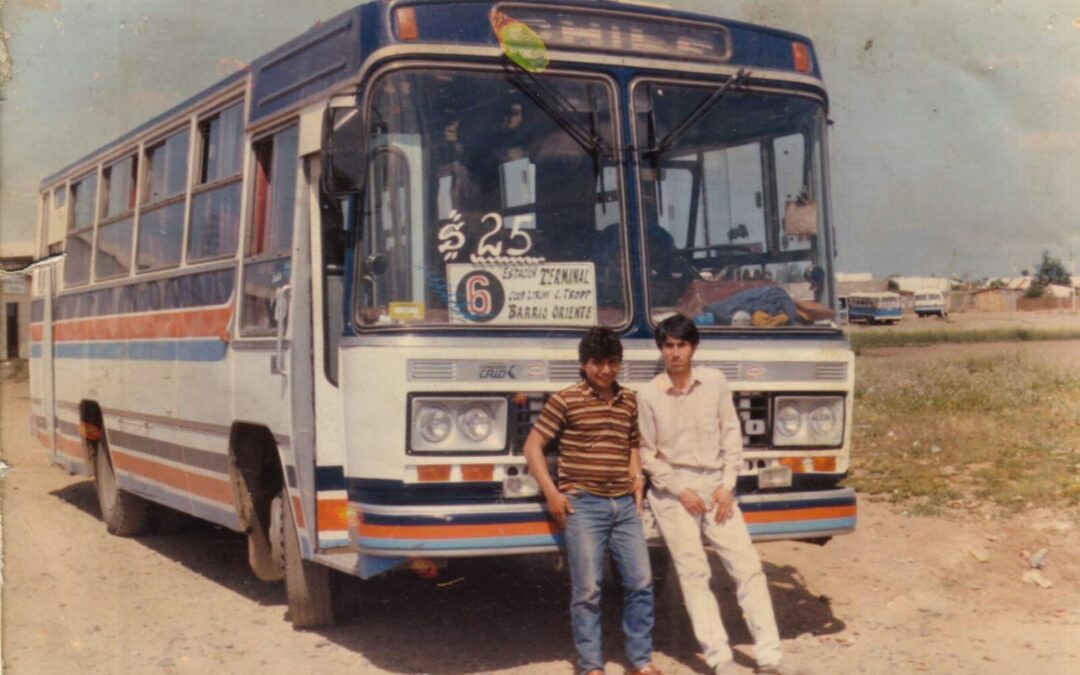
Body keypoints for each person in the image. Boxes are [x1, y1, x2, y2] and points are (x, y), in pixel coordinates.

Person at [638, 315, 789, 675]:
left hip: (716, 487)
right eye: (668, 346)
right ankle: (721, 659)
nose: (675, 353)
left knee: (748, 567)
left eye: (681, 345)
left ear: (694, 347)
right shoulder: (648, 394)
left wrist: (727, 484)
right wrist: (679, 489)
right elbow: (646, 454)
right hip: (674, 493)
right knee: (694, 573)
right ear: (661, 349)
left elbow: (731, 434)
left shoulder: (715, 382)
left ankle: (769, 656)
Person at [522, 327, 661, 675]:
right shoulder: (565, 399)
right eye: (598, 363)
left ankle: (641, 661)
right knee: (587, 591)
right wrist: (552, 493)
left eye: (613, 362)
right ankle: (590, 666)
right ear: (584, 364)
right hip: (583, 505)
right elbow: (532, 446)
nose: (605, 370)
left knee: (641, 583)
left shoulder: (629, 400)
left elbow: (631, 443)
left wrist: (637, 478)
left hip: (625, 508)